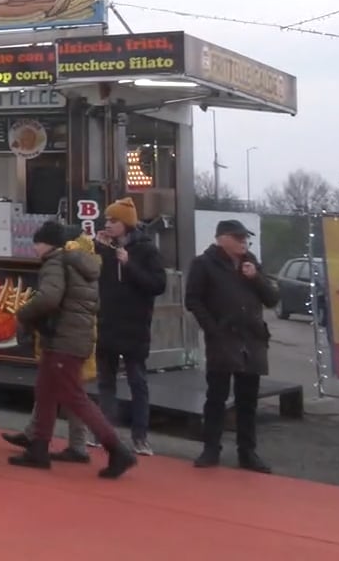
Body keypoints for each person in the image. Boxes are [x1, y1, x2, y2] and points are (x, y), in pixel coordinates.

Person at [11, 221, 136, 478]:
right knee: (45, 392)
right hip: (75, 337)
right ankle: (38, 448)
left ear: (46, 243)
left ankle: (117, 449)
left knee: (73, 396)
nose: (34, 248)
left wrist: (22, 314)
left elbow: (48, 298)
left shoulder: (55, 263)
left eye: (36, 242)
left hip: (62, 339)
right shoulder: (80, 263)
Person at [185, 218, 279, 472]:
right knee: (216, 396)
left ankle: (247, 452)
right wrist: (212, 329)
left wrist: (255, 278)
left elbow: (271, 299)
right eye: (237, 238)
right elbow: (192, 299)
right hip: (223, 339)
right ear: (222, 238)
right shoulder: (204, 264)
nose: (243, 242)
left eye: (245, 238)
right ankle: (211, 448)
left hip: (252, 340)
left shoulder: (251, 264)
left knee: (248, 400)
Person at [95, 198, 166, 455]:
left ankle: (140, 436)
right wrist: (98, 249)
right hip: (108, 323)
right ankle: (104, 433)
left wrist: (129, 265)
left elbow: (158, 284)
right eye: (106, 220)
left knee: (138, 382)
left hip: (135, 325)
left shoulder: (146, 249)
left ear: (126, 223)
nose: (108, 224)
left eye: (113, 220)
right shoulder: (104, 247)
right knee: (105, 382)